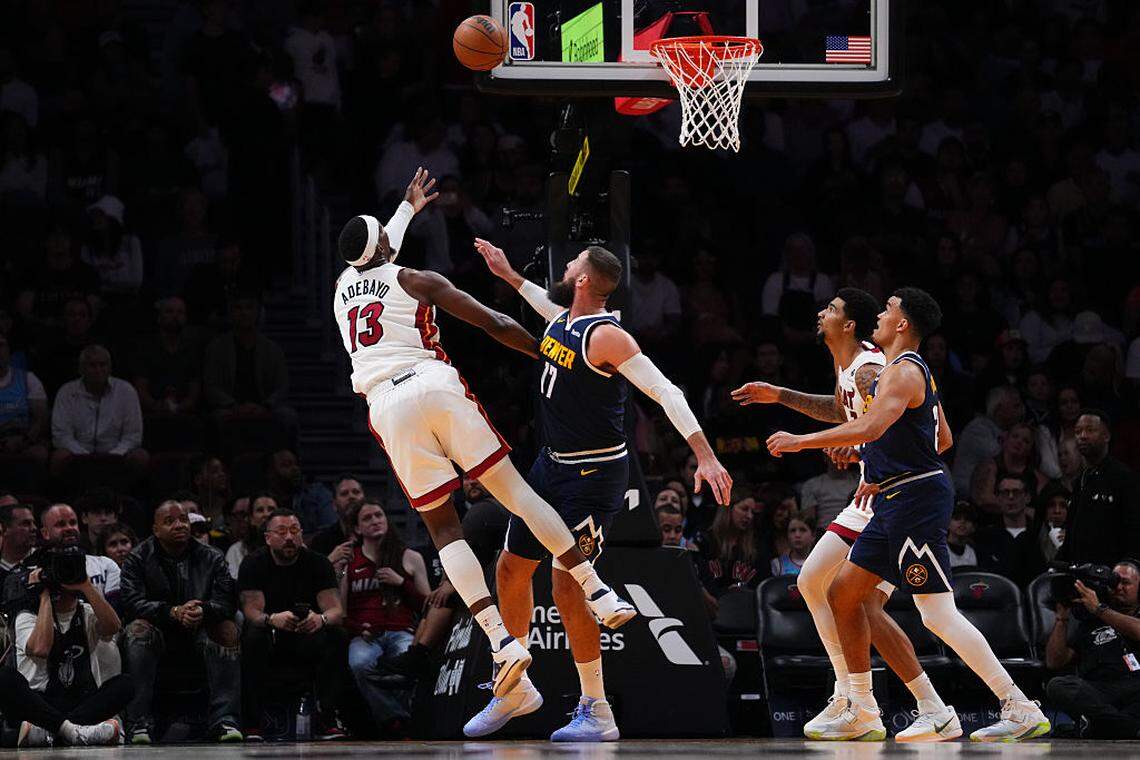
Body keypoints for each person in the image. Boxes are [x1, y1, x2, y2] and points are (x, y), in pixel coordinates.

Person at [332, 168, 634, 703]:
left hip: (385, 406)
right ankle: (596, 587)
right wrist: (549, 351)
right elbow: (493, 322)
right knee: (517, 493)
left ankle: (501, 642)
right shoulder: (415, 279)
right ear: (383, 247)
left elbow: (376, 249)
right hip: (431, 381)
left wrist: (405, 210)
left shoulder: (340, 291)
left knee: (444, 531)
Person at [463, 237, 731, 742]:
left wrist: (705, 453)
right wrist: (507, 276)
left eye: (572, 264)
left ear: (584, 280)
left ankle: (597, 709)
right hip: (550, 465)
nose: (564, 266)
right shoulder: (564, 318)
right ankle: (513, 687)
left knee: (568, 584)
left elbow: (665, 392)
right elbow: (545, 306)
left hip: (592, 477)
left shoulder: (609, 337)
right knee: (510, 568)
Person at [767, 287, 1049, 742]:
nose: (879, 314)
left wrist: (804, 441)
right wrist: (867, 450)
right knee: (924, 612)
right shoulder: (895, 372)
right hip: (901, 495)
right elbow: (889, 428)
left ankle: (870, 704)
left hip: (913, 496)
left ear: (901, 324)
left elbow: (876, 425)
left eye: (887, 309)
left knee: (849, 593)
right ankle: (995, 706)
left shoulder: (898, 371)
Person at [735, 288, 956, 741]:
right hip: (875, 494)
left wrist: (858, 450)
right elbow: (841, 410)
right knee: (819, 583)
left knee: (861, 599)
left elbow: (925, 436)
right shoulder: (851, 368)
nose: (821, 313)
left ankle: (872, 700)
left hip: (893, 497)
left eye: (831, 309)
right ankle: (857, 697)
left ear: (849, 325)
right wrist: (779, 394)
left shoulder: (874, 368)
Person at [120, 500, 241, 744]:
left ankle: (225, 720)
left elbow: (227, 603)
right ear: (155, 529)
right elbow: (131, 603)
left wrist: (203, 610)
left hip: (201, 629)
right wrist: (172, 612)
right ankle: (138, 723)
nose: (179, 525)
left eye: (183, 520)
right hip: (158, 630)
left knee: (229, 627)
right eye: (170, 521)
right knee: (136, 630)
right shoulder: (137, 558)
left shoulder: (213, 557)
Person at [0, 547, 130, 747]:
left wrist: (85, 585)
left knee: (125, 685)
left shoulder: (86, 611)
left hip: (80, 701)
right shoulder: (27, 616)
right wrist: (44, 595)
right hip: (39, 704)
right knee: (4, 678)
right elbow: (41, 648)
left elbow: (113, 627)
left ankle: (51, 733)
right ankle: (75, 732)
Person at [238, 509, 348, 740]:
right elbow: (251, 612)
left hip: (308, 632)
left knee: (337, 635)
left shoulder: (318, 563)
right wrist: (272, 619)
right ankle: (252, 722)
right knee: (252, 635)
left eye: (294, 531)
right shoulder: (253, 563)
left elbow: (336, 611)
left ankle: (326, 717)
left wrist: (321, 619)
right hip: (272, 633)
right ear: (268, 537)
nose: (289, 537)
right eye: (281, 531)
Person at [340, 500, 430, 735]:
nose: (375, 521)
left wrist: (401, 582)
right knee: (359, 663)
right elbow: (340, 611)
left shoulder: (410, 557)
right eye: (367, 518)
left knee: (406, 663)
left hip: (402, 631)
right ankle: (396, 718)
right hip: (366, 635)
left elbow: (429, 605)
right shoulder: (351, 562)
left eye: (379, 515)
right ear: (358, 529)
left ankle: (397, 721)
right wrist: (358, 628)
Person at [1045, 560, 1140, 739]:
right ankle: (1127, 727)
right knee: (1058, 685)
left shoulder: (1101, 611)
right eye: (1113, 582)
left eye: (1125, 583)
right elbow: (1055, 661)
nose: (1118, 587)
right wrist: (1061, 618)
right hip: (1101, 691)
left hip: (1136, 687)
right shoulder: (1090, 621)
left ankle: (1102, 726)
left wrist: (1099, 609)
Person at [50, 344, 148, 480]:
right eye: (92, 365)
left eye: (103, 365)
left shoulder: (126, 391)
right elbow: (61, 435)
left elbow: (133, 435)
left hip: (117, 453)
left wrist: (114, 455)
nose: (98, 370)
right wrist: (83, 455)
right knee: (59, 457)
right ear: (81, 369)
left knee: (140, 456)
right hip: (77, 453)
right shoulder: (66, 392)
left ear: (110, 368)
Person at [1057, 410, 1140, 565]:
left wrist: (1129, 567)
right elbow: (1071, 537)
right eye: (1078, 431)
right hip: (1078, 573)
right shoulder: (1080, 480)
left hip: (1110, 574)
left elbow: (1134, 532)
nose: (1082, 436)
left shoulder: (1124, 477)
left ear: (1106, 436)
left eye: (1090, 430)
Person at [974, 474, 1046, 587]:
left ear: (1027, 497)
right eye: (1005, 492)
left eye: (1016, 492)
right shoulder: (986, 537)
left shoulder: (1040, 534)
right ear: (998, 498)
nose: (1011, 497)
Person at [223, 492, 275, 579]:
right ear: (251, 518)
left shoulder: (290, 545)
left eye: (271, 509)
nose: (266, 514)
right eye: (260, 510)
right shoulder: (236, 550)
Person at [0, 502, 36, 584]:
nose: (34, 528)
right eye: (26, 524)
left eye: (33, 523)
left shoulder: (44, 560)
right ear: (4, 529)